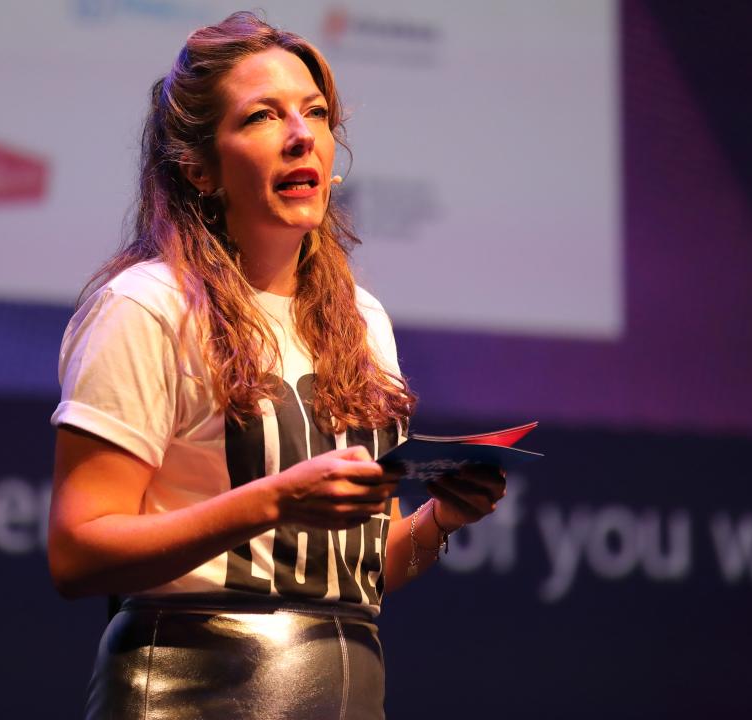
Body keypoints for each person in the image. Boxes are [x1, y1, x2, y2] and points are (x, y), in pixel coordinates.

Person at [48, 11, 506, 719]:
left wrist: (439, 521)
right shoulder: (147, 308)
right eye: (263, 116)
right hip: (191, 691)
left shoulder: (361, 321)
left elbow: (358, 574)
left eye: (316, 113)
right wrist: (274, 499)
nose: (302, 135)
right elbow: (77, 552)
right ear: (197, 165)